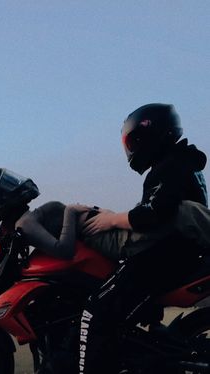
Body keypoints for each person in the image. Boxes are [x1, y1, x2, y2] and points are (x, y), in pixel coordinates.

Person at [78, 103, 209, 374]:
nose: (132, 148)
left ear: (149, 135)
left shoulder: (172, 164)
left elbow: (155, 214)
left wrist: (111, 220)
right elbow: (157, 208)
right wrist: (115, 215)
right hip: (176, 252)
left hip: (165, 256)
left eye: (133, 140)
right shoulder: (180, 161)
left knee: (94, 314)